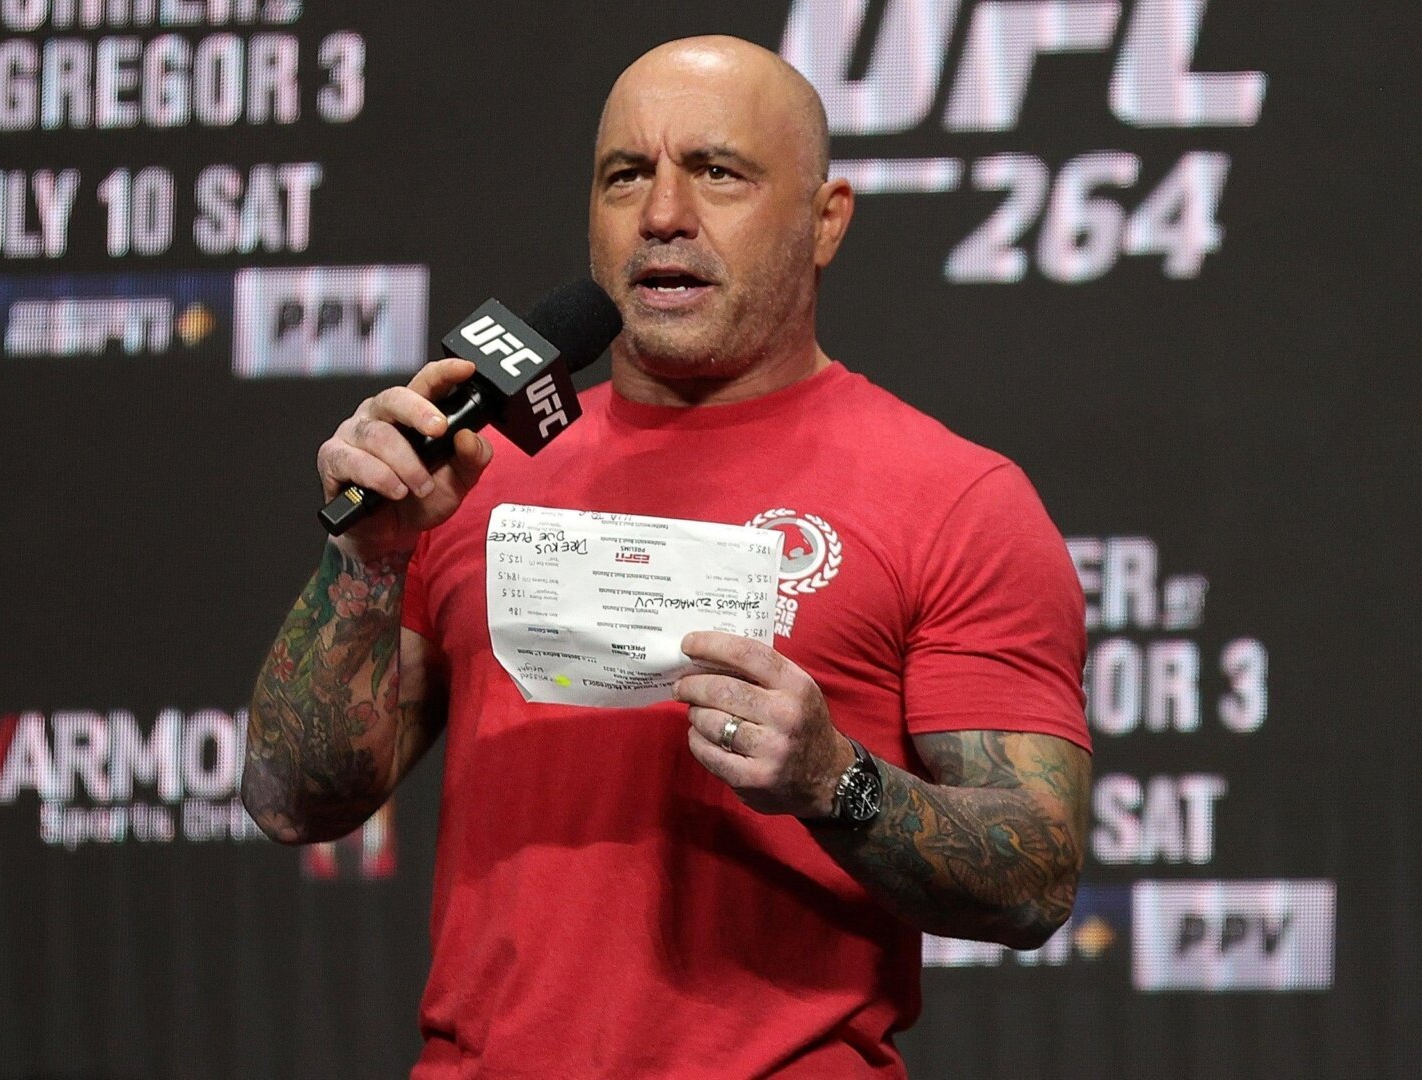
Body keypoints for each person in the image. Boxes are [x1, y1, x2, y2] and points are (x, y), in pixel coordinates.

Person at [244, 35, 1092, 1079]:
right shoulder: (471, 474)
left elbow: (1035, 878)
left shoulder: (955, 502)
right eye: (625, 176)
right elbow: (292, 798)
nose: (662, 215)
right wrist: (367, 557)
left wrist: (836, 780)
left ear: (826, 220)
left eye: (718, 172)